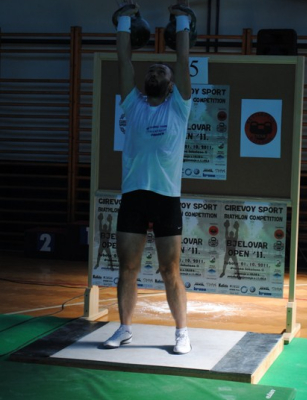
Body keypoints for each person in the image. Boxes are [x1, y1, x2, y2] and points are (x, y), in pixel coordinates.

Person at [103, 0, 192, 354]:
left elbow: (182, 60)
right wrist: (124, 22)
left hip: (166, 197)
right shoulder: (133, 104)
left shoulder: (179, 107)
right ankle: (124, 328)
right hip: (134, 196)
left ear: (171, 85)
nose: (154, 73)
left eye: (161, 71)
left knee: (170, 270)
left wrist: (181, 20)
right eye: (151, 70)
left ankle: (182, 333)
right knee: (128, 268)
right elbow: (124, 60)